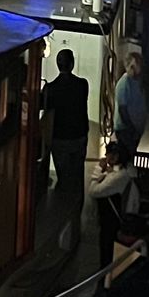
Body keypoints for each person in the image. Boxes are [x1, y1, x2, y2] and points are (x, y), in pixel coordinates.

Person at [40, 48, 92, 254]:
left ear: (58, 65)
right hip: (78, 137)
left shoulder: (50, 89)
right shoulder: (82, 85)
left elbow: (43, 106)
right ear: (72, 64)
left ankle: (63, 221)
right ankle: (77, 217)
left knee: (63, 178)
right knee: (77, 175)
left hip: (60, 139)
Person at [85, 140, 140, 268]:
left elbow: (93, 191)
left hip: (111, 221)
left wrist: (98, 170)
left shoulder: (119, 177)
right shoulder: (126, 171)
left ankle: (105, 274)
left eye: (108, 154)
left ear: (116, 157)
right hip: (116, 219)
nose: (106, 156)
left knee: (107, 248)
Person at [111, 48, 148, 156]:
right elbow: (123, 110)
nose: (141, 67)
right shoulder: (124, 84)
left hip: (133, 131)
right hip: (125, 131)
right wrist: (132, 130)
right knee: (126, 157)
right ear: (131, 66)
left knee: (131, 156)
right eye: (138, 64)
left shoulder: (137, 82)